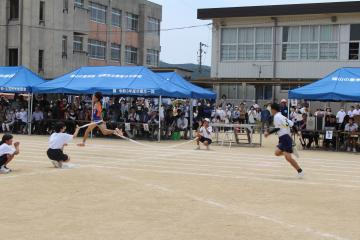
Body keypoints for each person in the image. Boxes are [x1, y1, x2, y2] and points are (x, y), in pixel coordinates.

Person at [264, 103, 304, 178]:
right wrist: (297, 132)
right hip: (283, 138)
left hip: (285, 137)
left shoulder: (276, 117)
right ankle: (290, 150)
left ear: (273, 109)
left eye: (270, 109)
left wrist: (268, 133)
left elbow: (278, 128)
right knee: (277, 153)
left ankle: (300, 171)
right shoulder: (282, 116)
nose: (270, 110)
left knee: (288, 158)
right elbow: (292, 125)